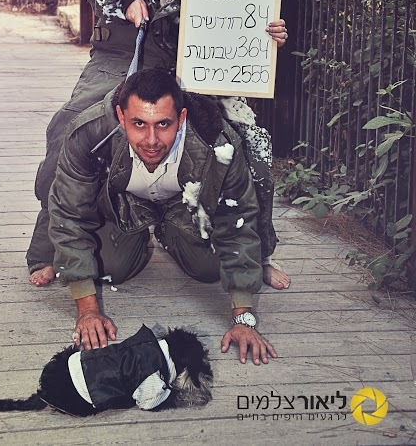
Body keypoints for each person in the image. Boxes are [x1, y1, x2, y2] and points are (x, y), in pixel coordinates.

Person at [26, 0, 290, 290]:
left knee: (250, 141)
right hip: (124, 48)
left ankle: (258, 251)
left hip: (192, 60)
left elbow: (242, 10)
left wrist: (266, 31)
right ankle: (50, 248)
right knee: (71, 125)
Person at [48, 69, 277, 365]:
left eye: (163, 124)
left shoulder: (219, 142)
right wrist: (88, 309)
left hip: (183, 206)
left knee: (210, 269)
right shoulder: (88, 134)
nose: (152, 140)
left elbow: (238, 220)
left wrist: (243, 318)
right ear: (120, 116)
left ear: (181, 118)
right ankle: (138, 242)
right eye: (139, 124)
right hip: (123, 209)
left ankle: (170, 235)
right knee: (111, 268)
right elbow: (69, 214)